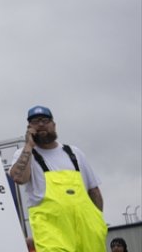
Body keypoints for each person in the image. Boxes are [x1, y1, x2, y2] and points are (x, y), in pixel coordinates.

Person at [8, 106, 106, 252]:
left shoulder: (74, 153)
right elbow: (18, 177)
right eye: (35, 121)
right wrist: (29, 145)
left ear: (54, 125)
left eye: (45, 120)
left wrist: (98, 221)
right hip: (52, 234)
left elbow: (94, 191)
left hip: (88, 231)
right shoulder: (25, 154)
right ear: (29, 127)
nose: (41, 124)